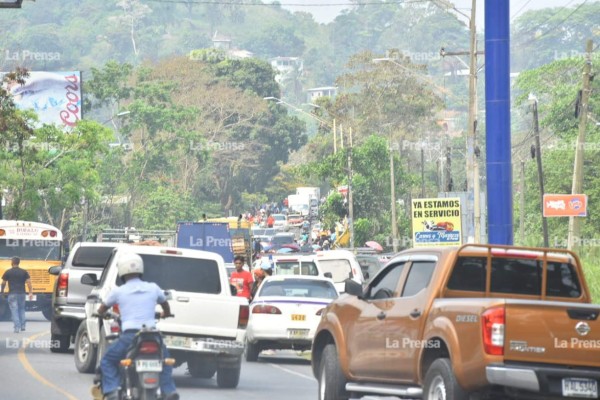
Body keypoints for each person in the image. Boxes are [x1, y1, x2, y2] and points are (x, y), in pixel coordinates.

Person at [96, 252, 179, 400]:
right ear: (140, 269)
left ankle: (112, 390)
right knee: (166, 361)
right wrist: (165, 313)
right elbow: (165, 303)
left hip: (130, 336)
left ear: (122, 271)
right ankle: (169, 390)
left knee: (107, 361)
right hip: (152, 335)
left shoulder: (118, 291)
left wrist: (100, 313)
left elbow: (102, 308)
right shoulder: (153, 287)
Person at [1, 257, 33, 333]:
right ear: (19, 262)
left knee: (14, 310)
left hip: (12, 294)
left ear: (12, 262)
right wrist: (30, 292)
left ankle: (16, 327)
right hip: (22, 294)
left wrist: (2, 291)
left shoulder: (8, 272)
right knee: (22, 309)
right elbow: (29, 282)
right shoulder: (24, 272)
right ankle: (23, 326)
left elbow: (3, 283)